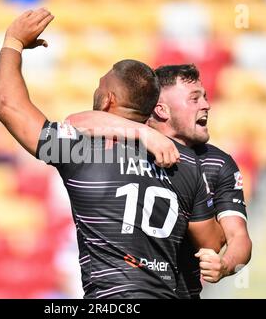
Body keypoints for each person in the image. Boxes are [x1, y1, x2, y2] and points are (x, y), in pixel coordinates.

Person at [0, 9, 224, 298]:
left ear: (108, 99)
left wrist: (13, 42)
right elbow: (211, 243)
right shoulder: (185, 162)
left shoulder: (82, 151)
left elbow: (6, 104)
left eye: (99, 85)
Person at [67, 64, 252, 298]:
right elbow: (74, 122)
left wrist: (225, 265)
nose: (206, 104)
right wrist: (142, 133)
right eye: (194, 99)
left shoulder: (218, 163)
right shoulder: (129, 143)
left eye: (204, 97)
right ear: (162, 110)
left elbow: (239, 237)